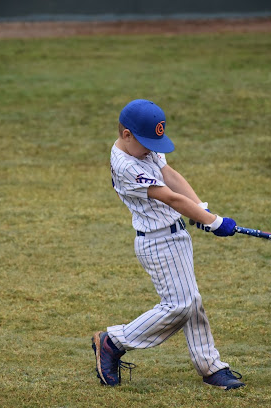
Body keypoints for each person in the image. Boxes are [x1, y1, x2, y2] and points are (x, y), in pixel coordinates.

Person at [92, 99, 245, 390]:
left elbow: (170, 175)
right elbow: (171, 198)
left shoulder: (142, 147)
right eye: (147, 143)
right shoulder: (126, 165)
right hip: (157, 242)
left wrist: (201, 208)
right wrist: (213, 221)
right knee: (180, 306)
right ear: (127, 135)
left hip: (176, 236)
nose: (151, 149)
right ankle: (113, 342)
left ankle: (210, 367)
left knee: (192, 303)